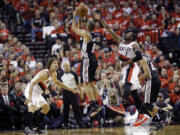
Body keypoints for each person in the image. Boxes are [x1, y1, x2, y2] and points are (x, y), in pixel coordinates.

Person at [93, 12, 149, 125]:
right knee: (133, 92)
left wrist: (127, 62)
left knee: (127, 85)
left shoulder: (134, 44)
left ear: (132, 36)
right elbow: (109, 29)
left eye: (128, 33)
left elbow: (138, 56)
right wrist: (100, 20)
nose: (126, 33)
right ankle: (142, 115)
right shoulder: (120, 41)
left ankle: (121, 105)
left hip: (131, 66)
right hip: (125, 67)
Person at [23, 57, 77, 134]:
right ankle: (27, 128)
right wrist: (29, 97)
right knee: (32, 107)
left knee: (46, 108)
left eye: (57, 63)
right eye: (54, 63)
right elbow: (32, 83)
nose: (56, 65)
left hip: (38, 92)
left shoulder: (54, 74)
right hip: (31, 90)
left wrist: (70, 89)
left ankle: (36, 127)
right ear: (50, 64)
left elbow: (58, 83)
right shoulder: (44, 73)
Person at [72, 10, 102, 117]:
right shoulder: (90, 34)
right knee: (90, 83)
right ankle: (96, 104)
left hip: (88, 60)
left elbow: (74, 28)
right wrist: (80, 17)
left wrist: (75, 15)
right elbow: (79, 27)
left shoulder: (86, 35)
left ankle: (93, 104)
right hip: (92, 59)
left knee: (85, 83)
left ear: (87, 27)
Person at [134, 54, 161, 126]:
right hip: (156, 80)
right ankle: (157, 120)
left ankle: (163, 112)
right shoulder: (146, 57)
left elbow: (147, 74)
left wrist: (137, 79)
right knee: (150, 104)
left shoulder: (142, 59)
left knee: (147, 105)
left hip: (151, 80)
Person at [59, 62, 85, 128]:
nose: (66, 68)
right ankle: (66, 124)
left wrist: (81, 93)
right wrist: (57, 95)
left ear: (69, 66)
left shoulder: (74, 74)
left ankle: (80, 123)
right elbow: (60, 86)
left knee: (76, 108)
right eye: (64, 66)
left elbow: (78, 85)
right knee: (66, 109)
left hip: (73, 92)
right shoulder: (61, 75)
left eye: (67, 66)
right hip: (65, 93)